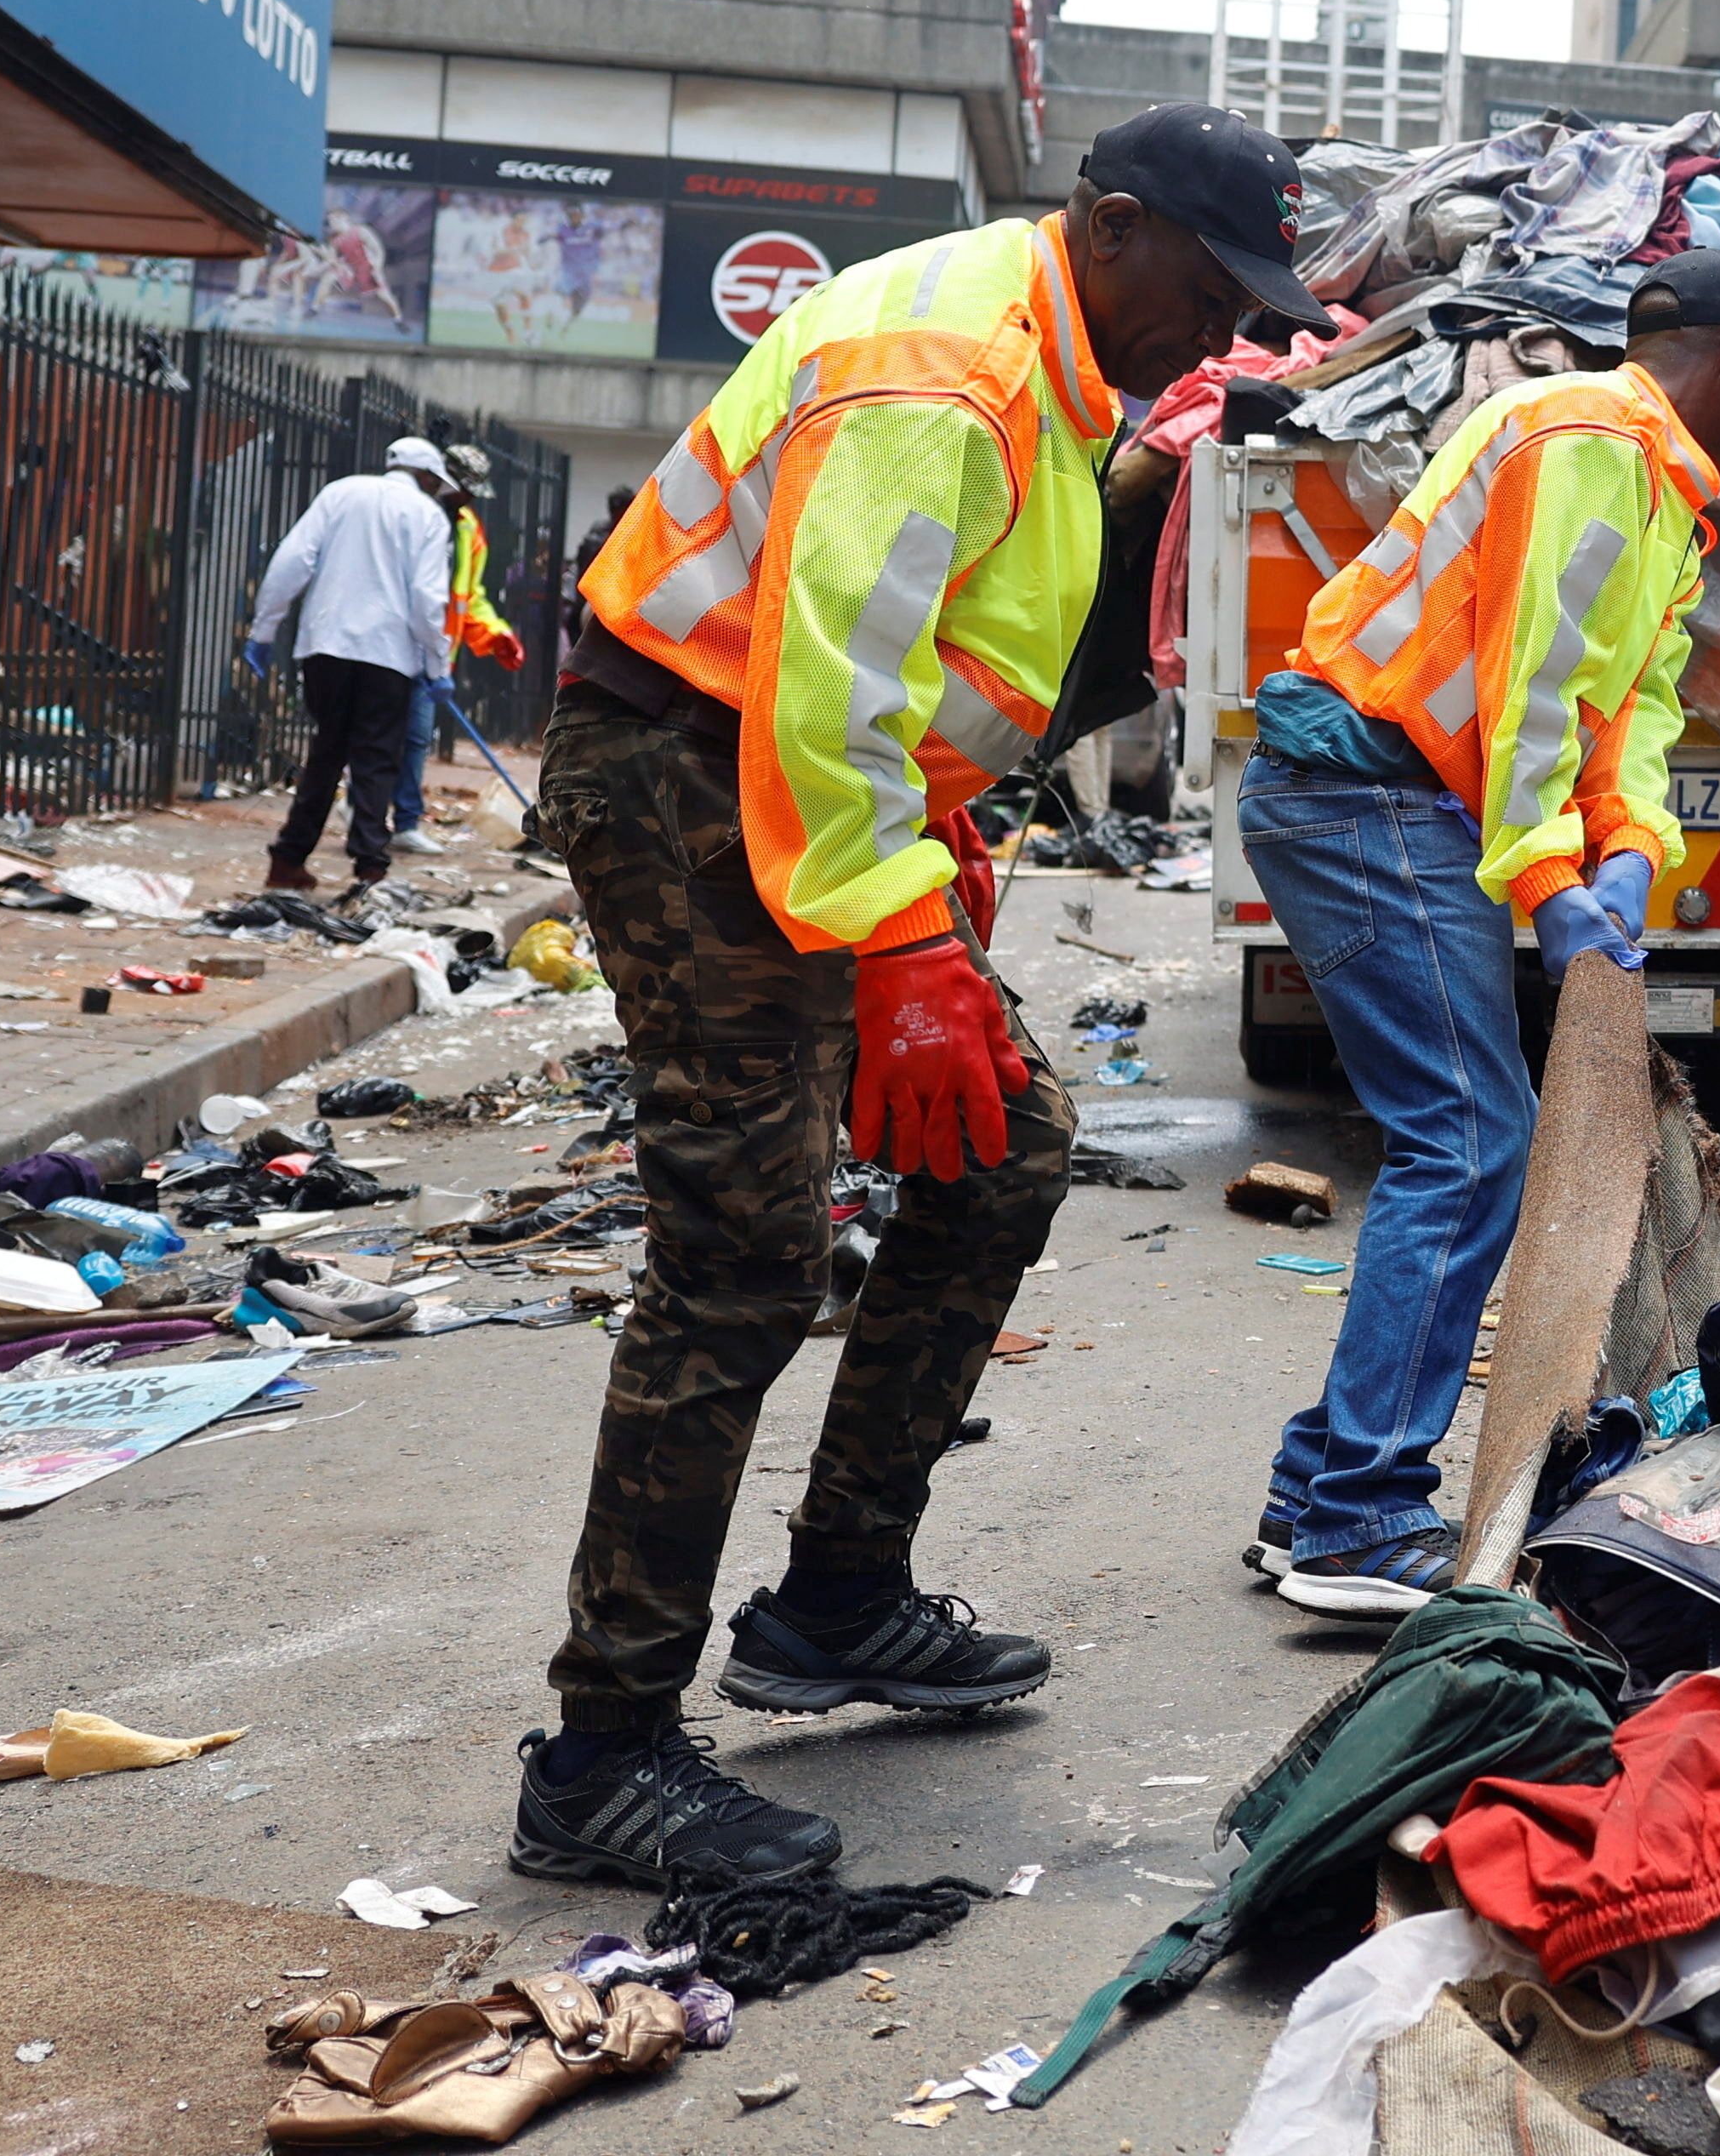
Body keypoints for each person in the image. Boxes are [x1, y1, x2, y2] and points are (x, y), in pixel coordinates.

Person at [512, 104, 1333, 1889]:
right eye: (1207, 287)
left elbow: (922, 673)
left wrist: (930, 868)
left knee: (1000, 1153)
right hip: (685, 771)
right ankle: (603, 1754)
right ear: (1108, 226)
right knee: (742, 1250)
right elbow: (827, 683)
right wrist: (897, 948)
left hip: (796, 793)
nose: (1222, 332)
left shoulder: (1058, 362)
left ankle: (838, 1598)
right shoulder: (941, 366)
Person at [1242, 245, 1720, 1619]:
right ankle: (1361, 1517)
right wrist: (1553, 880)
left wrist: (1625, 851)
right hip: (1361, 789)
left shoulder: (1659, 489)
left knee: (1464, 1133)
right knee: (1471, 1136)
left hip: (1378, 795)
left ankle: (1313, 1494)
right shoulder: (1586, 438)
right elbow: (1535, 685)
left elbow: (1632, 709)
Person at [242, 436, 456, 896]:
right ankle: (369, 869)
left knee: (326, 752)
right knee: (376, 758)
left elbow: (290, 562)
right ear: (427, 478)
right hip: (388, 654)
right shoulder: (427, 516)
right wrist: (438, 665)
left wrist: (264, 631)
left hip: (326, 646)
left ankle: (287, 861)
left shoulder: (340, 492)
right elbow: (427, 599)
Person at [393, 442, 525, 854]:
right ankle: (370, 809)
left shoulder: (468, 528)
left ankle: (405, 821)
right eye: (464, 489)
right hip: (391, 646)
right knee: (381, 736)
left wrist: (495, 633)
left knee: (415, 738)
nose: (467, 499)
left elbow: (470, 597)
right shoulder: (409, 514)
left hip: (435, 655)